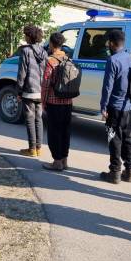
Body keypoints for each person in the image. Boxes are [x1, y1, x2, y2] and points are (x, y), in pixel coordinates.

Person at [99, 30, 131, 184]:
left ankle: (114, 173)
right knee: (128, 139)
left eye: (108, 42)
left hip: (115, 107)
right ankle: (129, 172)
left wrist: (103, 106)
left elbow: (107, 87)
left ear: (112, 43)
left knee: (114, 139)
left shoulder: (112, 60)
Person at [41, 32, 73, 171]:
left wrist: (43, 102)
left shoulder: (50, 61)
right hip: (68, 102)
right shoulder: (68, 59)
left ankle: (57, 162)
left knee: (54, 132)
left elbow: (46, 83)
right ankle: (64, 160)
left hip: (54, 102)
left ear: (52, 44)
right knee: (65, 132)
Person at [16, 25, 48, 157]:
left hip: (29, 90)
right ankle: (39, 148)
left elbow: (22, 73)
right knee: (38, 119)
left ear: (29, 37)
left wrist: (19, 91)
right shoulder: (44, 52)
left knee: (29, 119)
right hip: (41, 91)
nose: (24, 37)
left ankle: (31, 149)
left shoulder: (26, 51)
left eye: (25, 35)